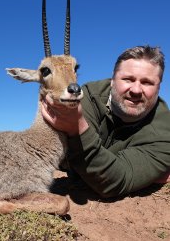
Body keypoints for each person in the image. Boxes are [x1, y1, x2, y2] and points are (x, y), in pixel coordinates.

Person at [41, 45, 170, 197]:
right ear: (112, 81)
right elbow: (71, 164)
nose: (136, 90)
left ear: (159, 87)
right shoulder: (88, 96)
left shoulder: (165, 132)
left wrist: (78, 128)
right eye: (128, 79)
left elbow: (115, 182)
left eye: (147, 82)